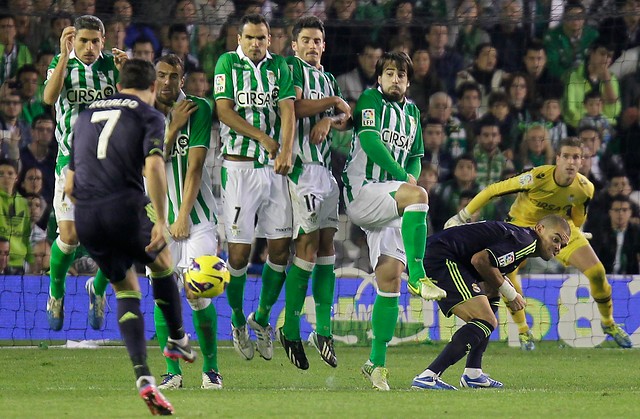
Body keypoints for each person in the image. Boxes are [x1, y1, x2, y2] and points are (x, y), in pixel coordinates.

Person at [65, 58, 195, 415]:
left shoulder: (84, 114)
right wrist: (161, 218)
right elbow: (153, 165)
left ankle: (143, 375)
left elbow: (70, 183)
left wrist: (92, 210)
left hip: (86, 215)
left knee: (126, 288)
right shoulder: (149, 114)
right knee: (162, 258)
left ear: (120, 84)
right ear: (153, 87)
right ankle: (178, 338)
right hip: (124, 205)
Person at [446, 137, 633, 349]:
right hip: (522, 229)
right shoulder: (536, 177)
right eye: (567, 156)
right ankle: (524, 331)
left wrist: (578, 229)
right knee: (509, 279)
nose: (571, 162)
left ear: (582, 161)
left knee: (597, 272)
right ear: (558, 158)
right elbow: (493, 190)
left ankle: (608, 323)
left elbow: (578, 214)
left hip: (561, 230)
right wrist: (462, 216)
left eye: (576, 157)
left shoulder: (585, 188)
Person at [342, 51, 446, 391]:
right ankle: (420, 275)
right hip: (363, 191)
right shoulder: (370, 100)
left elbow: (417, 157)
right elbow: (371, 143)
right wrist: (406, 179)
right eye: (389, 73)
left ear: (408, 81)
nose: (395, 80)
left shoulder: (414, 113)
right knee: (419, 197)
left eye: (401, 75)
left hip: (390, 198)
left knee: (389, 278)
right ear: (379, 78)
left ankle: (376, 364)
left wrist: (409, 176)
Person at [214, 13, 296, 362]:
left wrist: (287, 149)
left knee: (280, 250)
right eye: (250, 38)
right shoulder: (227, 64)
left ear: (270, 38)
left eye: (262, 38)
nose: (257, 43)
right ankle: (236, 320)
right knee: (237, 255)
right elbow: (224, 111)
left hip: (274, 171)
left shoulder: (281, 67)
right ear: (239, 38)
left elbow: (289, 111)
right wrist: (263, 137)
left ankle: (260, 318)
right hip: (239, 169)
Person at [411, 216, 570, 390]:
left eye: (562, 245)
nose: (557, 247)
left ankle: (473, 373)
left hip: (441, 254)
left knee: (492, 291)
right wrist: (511, 294)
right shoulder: (526, 241)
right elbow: (480, 261)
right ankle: (429, 376)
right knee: (486, 320)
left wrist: (502, 285)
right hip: (441, 257)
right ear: (539, 228)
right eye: (555, 239)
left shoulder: (521, 237)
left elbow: (489, 272)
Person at [42, 15, 128, 331]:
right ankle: (55, 293)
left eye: (95, 41)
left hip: (109, 163)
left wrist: (126, 74)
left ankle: (98, 289)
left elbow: (133, 104)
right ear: (73, 40)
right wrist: (64, 57)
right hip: (70, 160)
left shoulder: (112, 65)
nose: (89, 47)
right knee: (69, 236)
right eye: (83, 41)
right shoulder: (61, 63)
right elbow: (48, 99)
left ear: (103, 41)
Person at [277, 16, 351, 370]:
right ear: (294, 45)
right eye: (305, 40)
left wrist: (330, 119)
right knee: (305, 246)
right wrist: (331, 104)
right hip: (301, 170)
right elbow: (294, 108)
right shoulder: (289, 68)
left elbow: (344, 116)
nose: (311, 46)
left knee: (327, 248)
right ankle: (290, 328)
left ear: (324, 45)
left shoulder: (328, 77)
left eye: (317, 41)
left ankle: (323, 330)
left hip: (324, 172)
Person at [151, 54, 222, 391]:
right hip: (159, 223)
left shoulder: (199, 108)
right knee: (163, 297)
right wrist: (172, 128)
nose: (167, 81)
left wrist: (182, 217)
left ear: (183, 79)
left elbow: (194, 168)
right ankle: (172, 373)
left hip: (198, 220)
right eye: (161, 75)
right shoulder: (143, 111)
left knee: (197, 291)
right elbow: (144, 168)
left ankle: (211, 369)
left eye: (173, 76)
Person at [589, 195, 640, 275]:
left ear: (630, 212)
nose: (620, 213)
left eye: (624, 210)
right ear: (610, 212)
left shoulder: (636, 232)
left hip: (631, 277)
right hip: (604, 276)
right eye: (616, 210)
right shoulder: (599, 232)